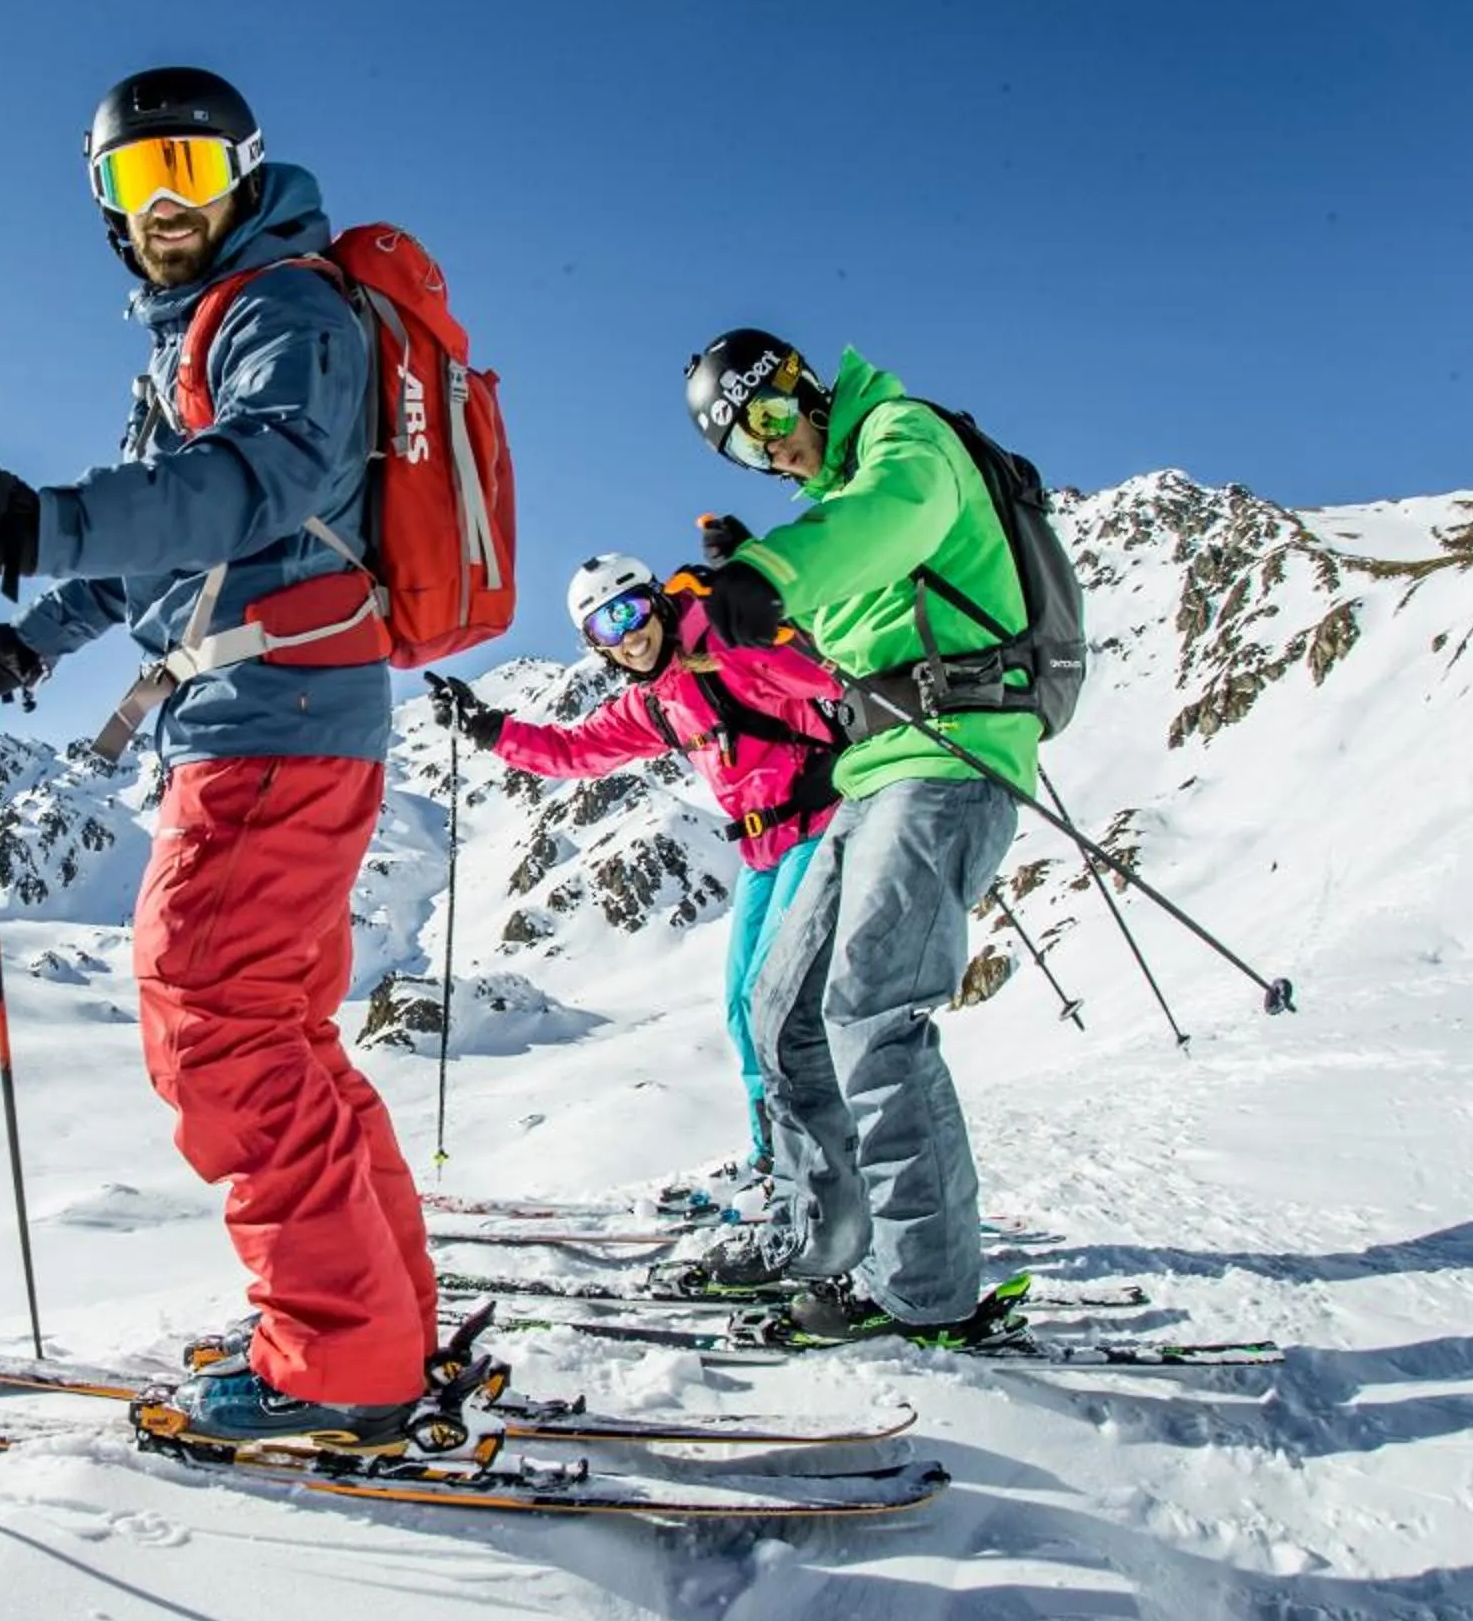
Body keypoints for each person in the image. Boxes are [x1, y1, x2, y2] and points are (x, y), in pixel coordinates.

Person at [0, 66, 438, 1449]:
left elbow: (250, 483)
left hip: (280, 722)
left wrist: (34, 522)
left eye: (189, 174)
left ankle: (342, 1360)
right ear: (103, 205)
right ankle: (377, 1317)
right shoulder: (204, 329)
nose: (163, 207)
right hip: (270, 712)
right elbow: (170, 536)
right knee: (279, 1029)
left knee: (215, 1022)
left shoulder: (286, 307)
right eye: (135, 183)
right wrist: (30, 637)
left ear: (245, 174)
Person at [669, 328, 1038, 1345]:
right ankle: (825, 1242)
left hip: (952, 756)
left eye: (773, 419)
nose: (771, 447)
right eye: (745, 446)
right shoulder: (835, 502)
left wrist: (771, 571)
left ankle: (927, 1293)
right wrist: (764, 597)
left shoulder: (902, 437)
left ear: (800, 385)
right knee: (782, 1010)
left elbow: (897, 516)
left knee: (873, 1010)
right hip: (877, 770)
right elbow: (838, 639)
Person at [424, 548, 842, 1197]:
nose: (626, 635)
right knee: (742, 1009)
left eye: (630, 611)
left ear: (656, 600)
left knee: (776, 1007)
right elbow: (576, 751)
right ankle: (775, 1158)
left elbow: (826, 676)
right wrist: (485, 727)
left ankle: (809, 1172)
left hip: (819, 828)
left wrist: (779, 629)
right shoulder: (658, 700)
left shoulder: (726, 644)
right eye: (604, 629)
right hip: (762, 856)